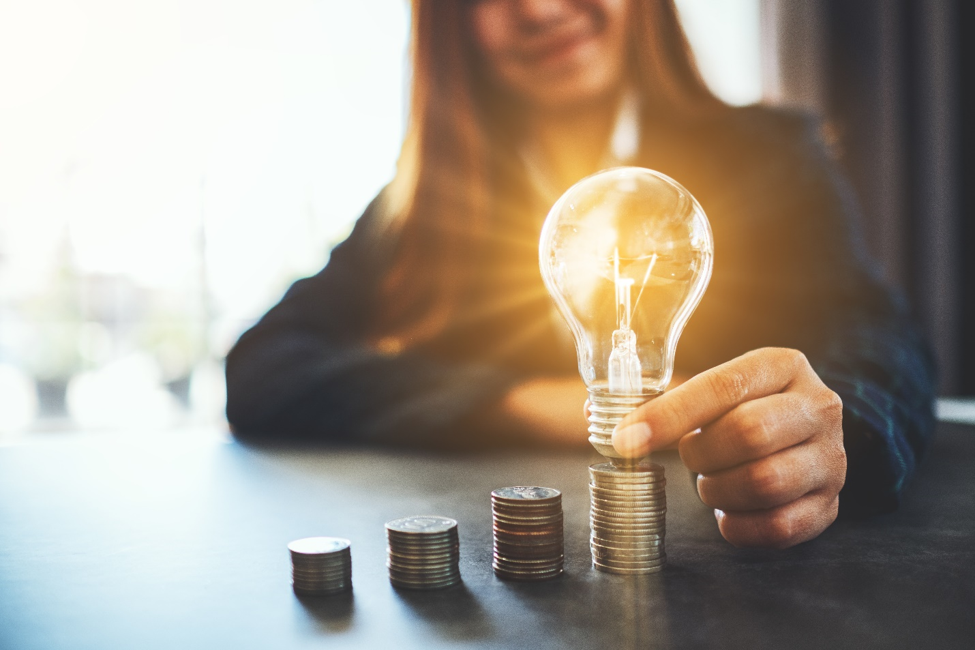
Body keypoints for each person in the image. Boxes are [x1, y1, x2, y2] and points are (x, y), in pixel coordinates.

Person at [225, 0, 936, 549]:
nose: (537, 9)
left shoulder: (771, 161)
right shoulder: (422, 212)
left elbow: (887, 342)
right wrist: (531, 402)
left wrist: (838, 427)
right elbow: (262, 366)